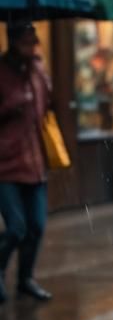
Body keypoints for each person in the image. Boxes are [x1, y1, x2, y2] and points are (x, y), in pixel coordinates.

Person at [0, 21, 53, 303]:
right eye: (27, 41)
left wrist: (44, 83)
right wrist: (11, 106)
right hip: (6, 164)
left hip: (35, 161)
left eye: (34, 41)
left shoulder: (37, 70)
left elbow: (45, 107)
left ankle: (25, 278)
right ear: (14, 41)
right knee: (16, 227)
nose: (33, 46)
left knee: (37, 226)